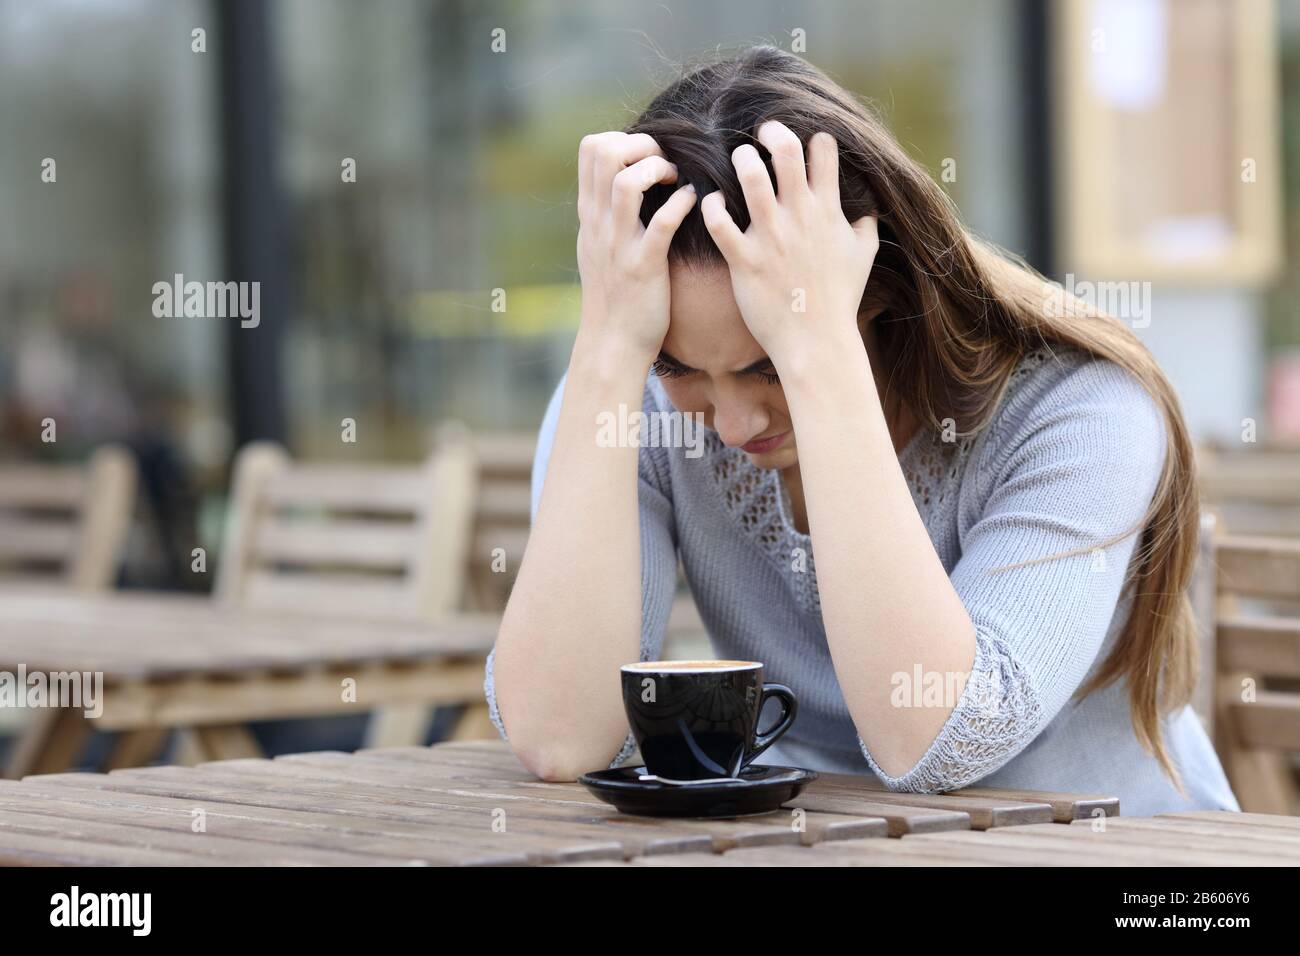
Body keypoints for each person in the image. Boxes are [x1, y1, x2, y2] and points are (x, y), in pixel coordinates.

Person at [485, 46, 1238, 816]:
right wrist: (609, 351)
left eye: (766, 367)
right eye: (680, 368)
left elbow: (939, 739)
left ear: (876, 290)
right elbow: (560, 738)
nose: (735, 422)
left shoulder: (1081, 406)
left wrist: (817, 353)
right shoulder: (627, 392)